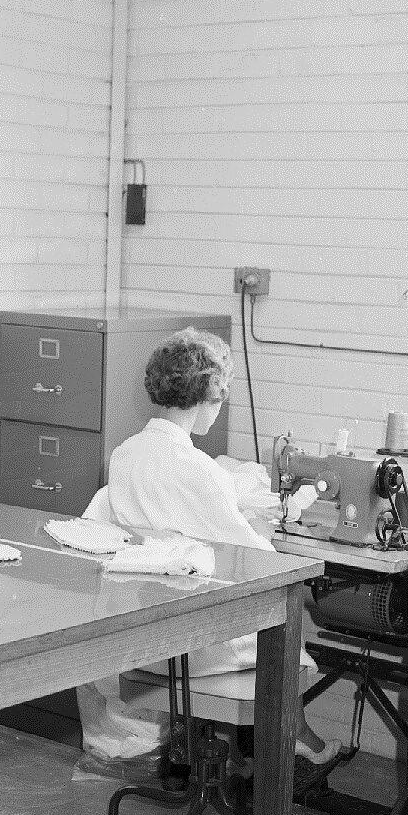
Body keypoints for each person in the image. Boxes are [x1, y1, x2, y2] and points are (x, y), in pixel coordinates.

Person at [82, 327, 340, 767]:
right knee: (288, 617)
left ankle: (244, 748)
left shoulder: (124, 454)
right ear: (207, 397)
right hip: (194, 644)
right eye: (220, 398)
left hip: (144, 630)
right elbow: (258, 562)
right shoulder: (198, 471)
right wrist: (271, 521)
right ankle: (290, 739)